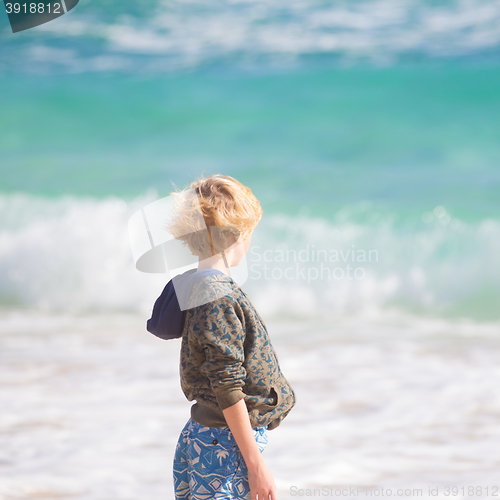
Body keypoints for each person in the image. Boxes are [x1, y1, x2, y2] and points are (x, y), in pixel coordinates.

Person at [146, 174, 296, 500]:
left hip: (204, 437)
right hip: (224, 445)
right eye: (249, 234)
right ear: (234, 236)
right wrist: (255, 463)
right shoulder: (217, 298)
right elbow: (226, 384)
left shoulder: (194, 287)